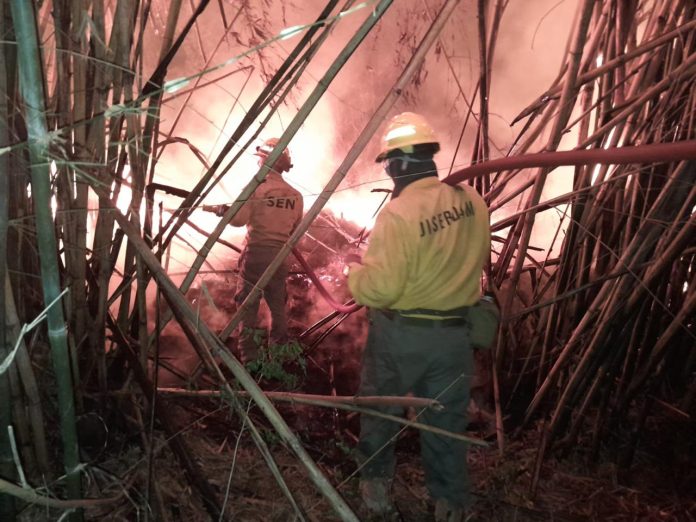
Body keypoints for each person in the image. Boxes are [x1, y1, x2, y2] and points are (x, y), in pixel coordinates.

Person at [346, 112, 491, 521]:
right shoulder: (472, 201)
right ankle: (449, 507)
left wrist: (354, 274)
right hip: (454, 339)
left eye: (389, 163)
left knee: (379, 411)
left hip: (402, 336)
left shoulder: (398, 214)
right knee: (445, 427)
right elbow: (475, 257)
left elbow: (383, 289)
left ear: (397, 163)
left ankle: (376, 497)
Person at [209, 138, 303, 364]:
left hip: (256, 255)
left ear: (264, 161)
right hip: (280, 257)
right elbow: (295, 227)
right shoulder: (296, 196)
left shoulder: (256, 187)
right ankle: (278, 359)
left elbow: (239, 220)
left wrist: (225, 211)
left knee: (247, 308)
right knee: (277, 307)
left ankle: (250, 362)